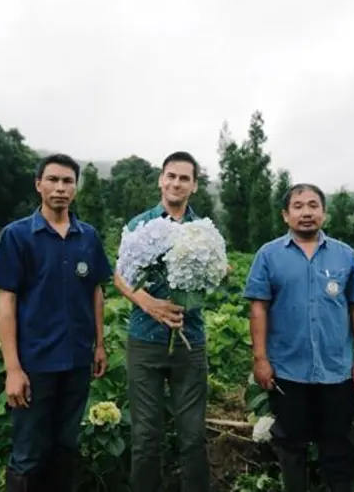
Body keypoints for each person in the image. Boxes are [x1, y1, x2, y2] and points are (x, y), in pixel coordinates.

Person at [0, 153, 113, 492]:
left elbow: (96, 292)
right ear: (38, 184)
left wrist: (99, 345)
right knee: (28, 452)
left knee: (66, 445)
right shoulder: (18, 236)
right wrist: (12, 368)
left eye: (67, 181)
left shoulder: (88, 236)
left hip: (76, 359)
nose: (60, 188)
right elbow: (6, 303)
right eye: (53, 180)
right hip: (35, 362)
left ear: (75, 187)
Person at [243, 183, 354, 492]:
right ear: (286, 215)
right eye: (299, 206)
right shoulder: (269, 255)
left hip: (336, 371)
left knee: (337, 446)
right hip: (288, 370)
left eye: (313, 205)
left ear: (323, 213)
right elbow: (258, 307)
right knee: (291, 445)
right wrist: (260, 358)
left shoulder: (345, 255)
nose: (306, 212)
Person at [113, 151, 210, 492]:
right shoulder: (140, 224)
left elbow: (218, 273)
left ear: (194, 186)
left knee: (193, 436)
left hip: (190, 340)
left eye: (185, 178)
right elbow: (119, 274)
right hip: (145, 340)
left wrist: (217, 272)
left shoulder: (204, 231)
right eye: (171, 175)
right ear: (160, 179)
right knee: (146, 436)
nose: (176, 183)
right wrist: (146, 301)